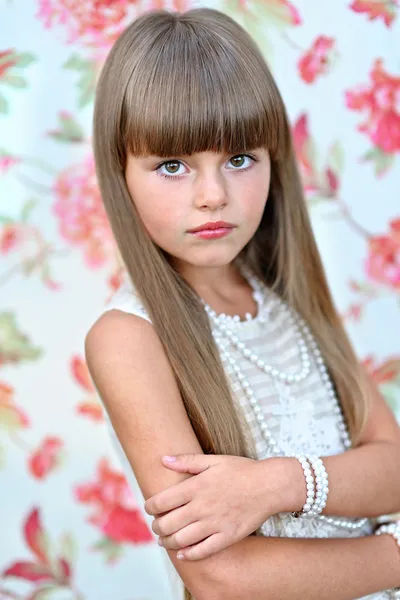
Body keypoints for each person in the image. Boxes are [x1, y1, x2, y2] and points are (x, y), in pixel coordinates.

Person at [85, 7, 400, 600]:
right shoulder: (130, 338)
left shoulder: (289, 299)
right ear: (120, 173)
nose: (213, 196)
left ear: (272, 159)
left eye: (239, 159)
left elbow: (396, 470)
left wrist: (276, 484)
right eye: (173, 166)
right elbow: (221, 578)